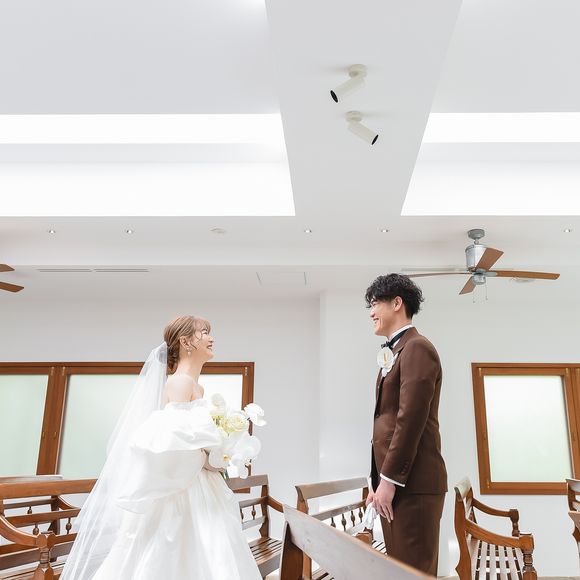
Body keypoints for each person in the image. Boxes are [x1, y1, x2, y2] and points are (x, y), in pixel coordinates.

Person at [61, 315, 261, 580]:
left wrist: (221, 450)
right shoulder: (180, 383)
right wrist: (211, 458)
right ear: (186, 342)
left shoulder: (197, 387)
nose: (211, 338)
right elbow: (172, 442)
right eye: (204, 332)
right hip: (182, 488)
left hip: (200, 482)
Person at [365, 274, 447, 575]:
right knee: (401, 572)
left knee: (414, 573)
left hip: (413, 486)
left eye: (375, 304)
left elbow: (410, 420)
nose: (371, 313)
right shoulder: (399, 350)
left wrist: (389, 481)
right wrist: (377, 483)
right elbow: (386, 421)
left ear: (397, 303)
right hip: (400, 485)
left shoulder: (417, 348)